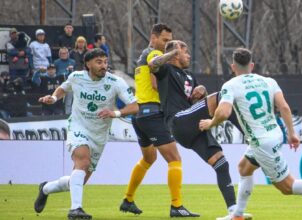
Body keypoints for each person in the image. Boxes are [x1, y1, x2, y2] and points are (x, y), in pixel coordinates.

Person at [198, 48, 302, 220]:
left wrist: (210, 123)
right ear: (252, 65)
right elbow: (284, 107)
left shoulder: (230, 85)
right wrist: (292, 133)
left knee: (287, 187)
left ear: (233, 66)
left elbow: (223, 112)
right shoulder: (268, 81)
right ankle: (238, 215)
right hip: (274, 133)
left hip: (262, 142)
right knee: (244, 167)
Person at [149, 40, 250, 220]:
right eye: (185, 52)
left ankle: (234, 212)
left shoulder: (189, 76)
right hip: (178, 121)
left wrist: (201, 92)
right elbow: (152, 65)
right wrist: (172, 53)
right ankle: (250, 136)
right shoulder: (166, 70)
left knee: (221, 164)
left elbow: (197, 105)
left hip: (192, 130)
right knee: (221, 96)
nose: (188, 56)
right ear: (176, 54)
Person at [34, 48, 139, 219]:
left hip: (99, 134)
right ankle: (76, 209)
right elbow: (63, 89)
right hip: (78, 127)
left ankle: (45, 188)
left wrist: (115, 113)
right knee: (82, 161)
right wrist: (53, 98)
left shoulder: (115, 82)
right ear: (88, 64)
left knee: (78, 180)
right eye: (99, 62)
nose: (103, 65)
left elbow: (134, 106)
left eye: (105, 62)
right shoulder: (76, 77)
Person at [119, 24, 198, 217]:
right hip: (153, 113)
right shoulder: (153, 53)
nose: (167, 44)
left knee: (149, 158)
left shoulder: (141, 57)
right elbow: (155, 84)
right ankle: (177, 206)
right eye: (164, 40)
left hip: (140, 114)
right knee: (175, 159)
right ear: (153, 37)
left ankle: (128, 199)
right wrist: (172, 57)